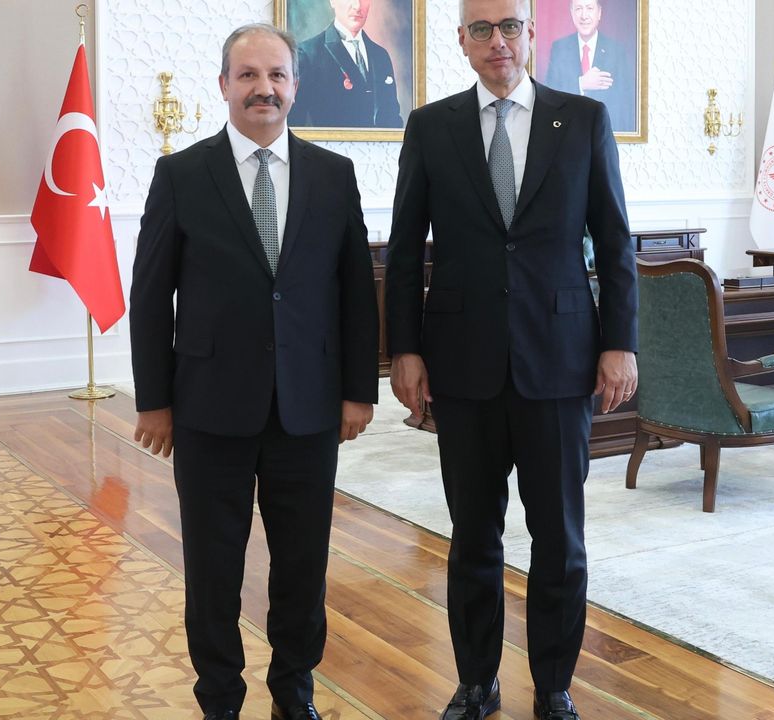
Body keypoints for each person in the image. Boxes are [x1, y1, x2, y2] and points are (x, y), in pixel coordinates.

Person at [383, 0, 638, 717]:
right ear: (462, 42)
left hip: (559, 361)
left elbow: (614, 242)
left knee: (559, 537)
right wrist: (404, 349)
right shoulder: (431, 127)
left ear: (530, 35)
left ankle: (553, 686)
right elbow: (403, 252)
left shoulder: (582, 121)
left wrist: (620, 343)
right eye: (481, 29)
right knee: (473, 536)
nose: (497, 41)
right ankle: (477, 682)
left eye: (510, 27)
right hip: (462, 364)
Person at [129, 23, 378, 720]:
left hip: (309, 408)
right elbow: (150, 295)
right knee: (214, 570)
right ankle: (220, 700)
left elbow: (356, 292)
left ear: (295, 85)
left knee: (302, 566)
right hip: (208, 408)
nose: (262, 88)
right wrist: (154, 401)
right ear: (223, 86)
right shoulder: (182, 175)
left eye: (275, 75)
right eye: (247, 75)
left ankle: (294, 695)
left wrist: (359, 390)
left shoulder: (333, 175)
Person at [292, 0, 404, 128]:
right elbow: (295, 123)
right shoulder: (308, 54)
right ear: (332, 2)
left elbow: (393, 119)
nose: (357, 6)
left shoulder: (381, 55)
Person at [543, 0, 636, 132]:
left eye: (589, 8)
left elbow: (625, 101)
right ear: (572, 13)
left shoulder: (616, 51)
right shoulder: (559, 48)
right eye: (578, 9)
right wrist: (581, 84)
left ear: (599, 13)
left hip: (604, 131)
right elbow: (549, 94)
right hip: (567, 131)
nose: (584, 15)